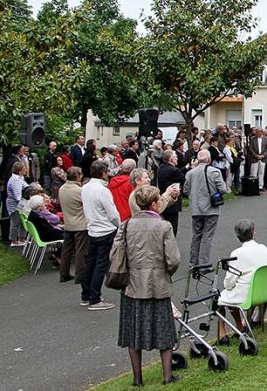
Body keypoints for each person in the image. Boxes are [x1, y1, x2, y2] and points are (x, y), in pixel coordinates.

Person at [115, 184, 180, 387]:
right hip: (158, 283)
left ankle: (137, 378)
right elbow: (173, 259)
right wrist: (166, 272)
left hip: (132, 285)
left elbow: (116, 254)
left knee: (134, 333)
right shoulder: (163, 226)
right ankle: (167, 376)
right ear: (153, 203)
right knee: (164, 331)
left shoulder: (125, 225)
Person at [217, 219, 267, 343]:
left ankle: (224, 332)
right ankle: (241, 325)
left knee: (220, 298)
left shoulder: (237, 254)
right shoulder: (263, 248)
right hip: (264, 291)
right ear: (253, 232)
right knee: (232, 293)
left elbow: (229, 283)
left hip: (247, 294)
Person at [81, 160, 121, 310]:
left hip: (92, 229)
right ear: (103, 173)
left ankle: (86, 294)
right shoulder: (103, 190)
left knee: (90, 262)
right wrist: (120, 226)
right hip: (105, 230)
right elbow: (112, 213)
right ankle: (94, 298)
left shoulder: (85, 188)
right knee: (101, 264)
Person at [184, 150, 227, 269]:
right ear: (208, 159)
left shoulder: (190, 173)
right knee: (207, 236)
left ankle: (193, 263)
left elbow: (185, 191)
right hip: (211, 209)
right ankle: (204, 264)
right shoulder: (214, 172)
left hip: (196, 209)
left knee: (196, 236)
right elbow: (223, 189)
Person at [58, 166, 88, 284]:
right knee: (81, 250)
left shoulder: (62, 188)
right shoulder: (79, 191)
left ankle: (64, 273)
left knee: (67, 248)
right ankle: (79, 275)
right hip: (80, 223)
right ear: (77, 176)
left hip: (68, 222)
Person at [156, 150, 186, 235]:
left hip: (164, 200)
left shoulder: (161, 168)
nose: (177, 158)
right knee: (172, 227)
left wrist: (187, 167)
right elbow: (183, 178)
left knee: (165, 225)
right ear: (171, 159)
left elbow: (177, 173)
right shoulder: (173, 170)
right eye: (175, 156)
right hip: (173, 201)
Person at [6, 161, 29, 245]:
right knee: (15, 222)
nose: (26, 170)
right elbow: (17, 196)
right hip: (15, 205)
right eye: (24, 169)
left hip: (22, 203)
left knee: (23, 221)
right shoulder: (15, 181)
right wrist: (24, 205)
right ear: (20, 171)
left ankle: (22, 238)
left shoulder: (20, 178)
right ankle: (13, 240)